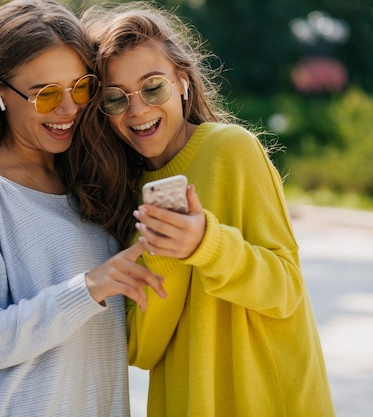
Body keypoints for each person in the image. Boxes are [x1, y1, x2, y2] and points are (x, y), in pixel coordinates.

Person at [76, 3, 336, 416]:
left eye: (153, 87)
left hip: (267, 400)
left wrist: (206, 244)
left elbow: (285, 289)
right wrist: (164, 253)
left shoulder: (232, 151)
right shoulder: (126, 192)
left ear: (182, 81)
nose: (138, 109)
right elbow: (141, 349)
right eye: (116, 98)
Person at [0, 1, 165, 416]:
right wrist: (87, 289)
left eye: (81, 87)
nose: (69, 109)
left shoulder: (92, 185)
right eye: (45, 95)